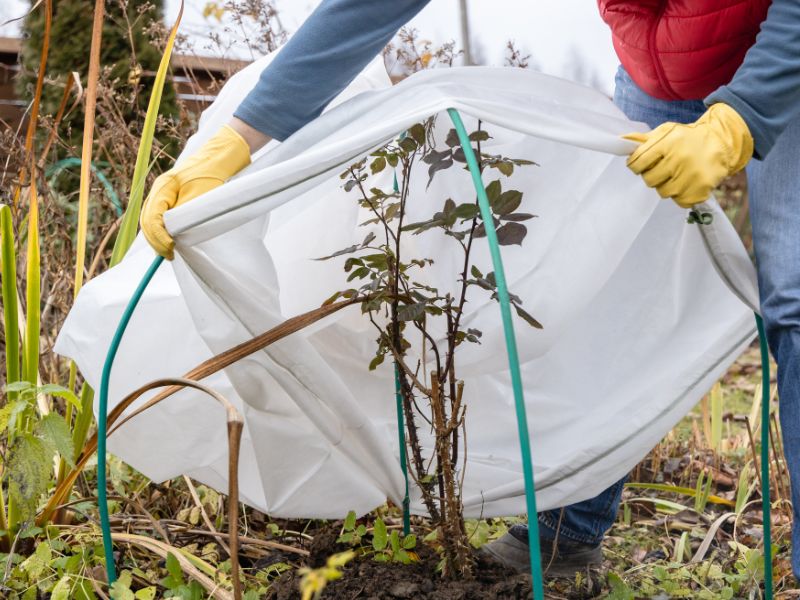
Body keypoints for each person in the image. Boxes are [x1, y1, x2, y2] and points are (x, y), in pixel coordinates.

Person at [140, 0, 800, 579]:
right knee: (603, 269)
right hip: (665, 62)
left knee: (794, 294)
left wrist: (738, 119)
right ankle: (567, 532)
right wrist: (239, 137)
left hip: (786, 46)